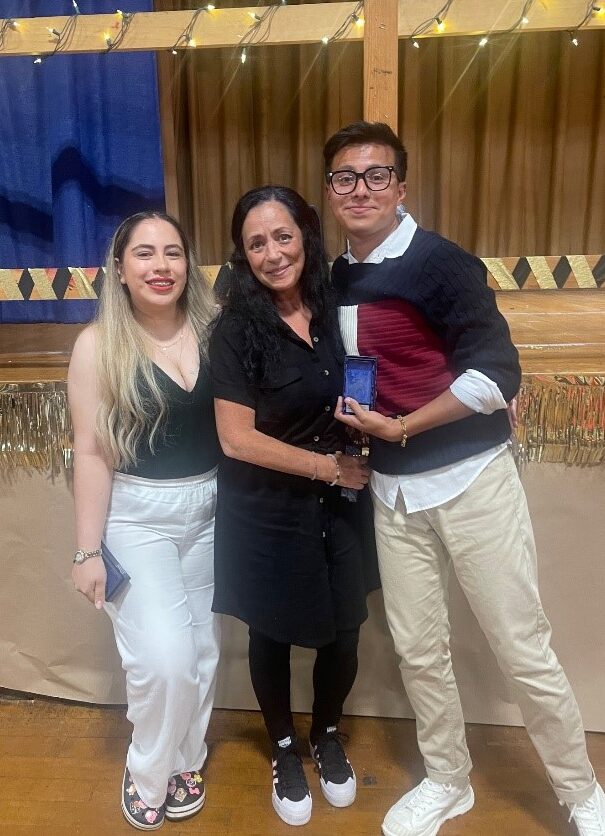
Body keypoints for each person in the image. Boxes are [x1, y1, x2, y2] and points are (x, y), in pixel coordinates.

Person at [322, 121, 605, 836]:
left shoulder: (441, 263)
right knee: (418, 648)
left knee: (519, 644)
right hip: (391, 491)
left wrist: (406, 424)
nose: (361, 189)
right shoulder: (337, 274)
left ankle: (580, 792)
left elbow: (496, 374)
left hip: (470, 480)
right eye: (345, 177)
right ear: (329, 192)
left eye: (376, 175)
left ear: (401, 187)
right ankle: (448, 780)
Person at [209, 185, 379, 827]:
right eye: (257, 242)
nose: (274, 253)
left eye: (283, 236)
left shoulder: (337, 304)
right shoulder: (234, 329)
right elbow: (235, 437)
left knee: (345, 628)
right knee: (271, 630)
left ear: (306, 234)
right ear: (243, 254)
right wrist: (326, 466)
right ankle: (283, 746)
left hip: (341, 505)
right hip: (268, 506)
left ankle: (326, 733)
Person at [68, 211, 221, 831]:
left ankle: (187, 756)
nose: (161, 266)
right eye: (145, 254)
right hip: (138, 516)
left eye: (174, 253)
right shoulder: (97, 346)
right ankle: (147, 770)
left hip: (213, 509)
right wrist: (86, 552)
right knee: (164, 659)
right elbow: (90, 451)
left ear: (190, 265)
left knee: (203, 652)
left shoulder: (217, 331)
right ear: (120, 268)